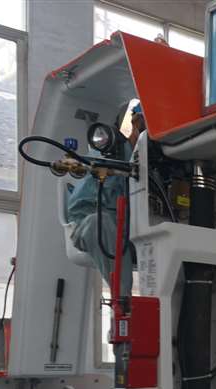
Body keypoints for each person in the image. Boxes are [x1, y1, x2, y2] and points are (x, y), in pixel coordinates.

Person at [66, 102, 144, 295]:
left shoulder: (153, 163)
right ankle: (123, 302)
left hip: (133, 232)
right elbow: (81, 207)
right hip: (93, 223)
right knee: (100, 223)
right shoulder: (110, 152)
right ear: (135, 123)